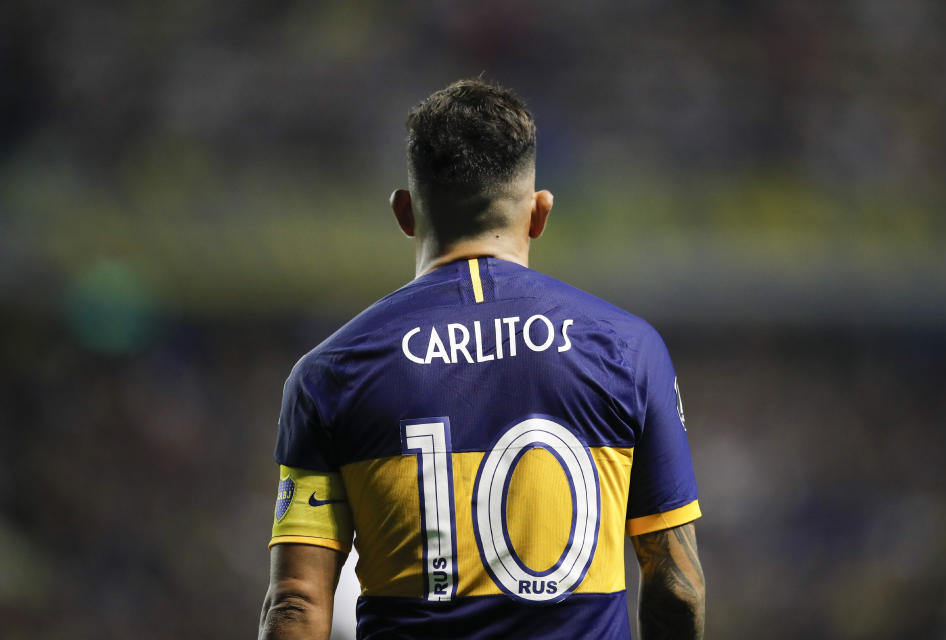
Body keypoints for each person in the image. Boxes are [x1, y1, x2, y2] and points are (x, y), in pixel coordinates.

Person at [258, 78, 705, 640]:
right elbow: (676, 587)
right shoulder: (630, 349)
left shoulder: (329, 373)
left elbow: (296, 603)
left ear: (404, 213)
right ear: (539, 213)